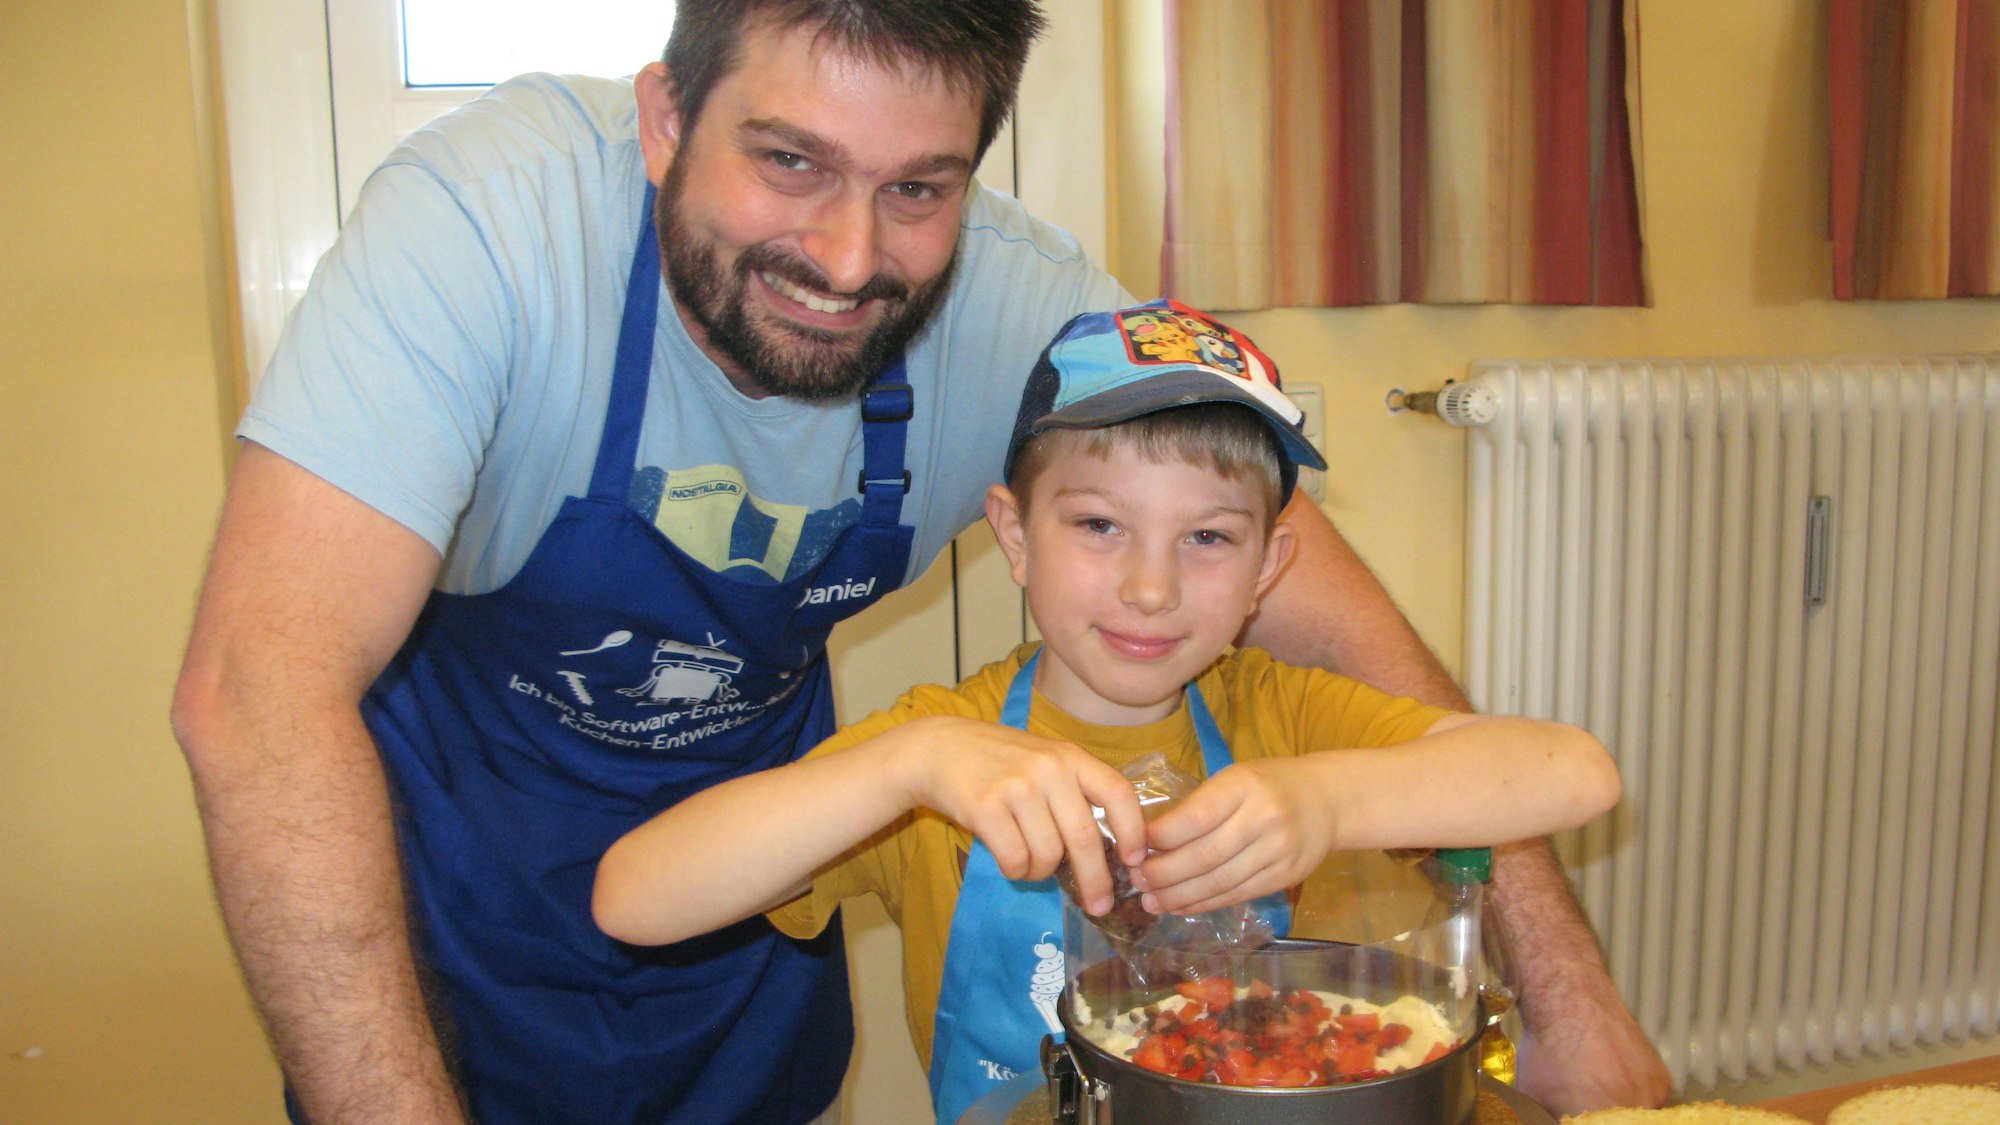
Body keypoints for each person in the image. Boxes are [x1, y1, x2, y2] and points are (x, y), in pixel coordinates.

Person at [171, 1, 1668, 1122]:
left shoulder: (1028, 310)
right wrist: (903, 772)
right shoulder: (486, 229)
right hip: (459, 882)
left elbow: (1368, 653)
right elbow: (258, 694)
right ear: (662, 119)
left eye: (918, 188)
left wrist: (1569, 1013)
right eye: (788, 160)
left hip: (764, 846)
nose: (846, 258)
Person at [592, 301, 1626, 1123]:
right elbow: (635, 895)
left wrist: (1327, 799)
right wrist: (903, 766)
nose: (1148, 588)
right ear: (1013, 533)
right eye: (1096, 524)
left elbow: (1571, 771)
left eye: (1207, 540)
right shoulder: (939, 748)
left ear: (1270, 567)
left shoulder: (1287, 712)